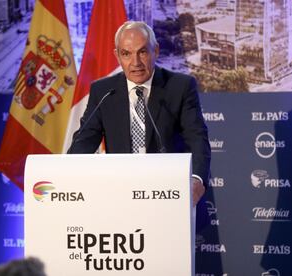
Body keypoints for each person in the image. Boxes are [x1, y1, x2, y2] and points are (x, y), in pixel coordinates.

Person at [68, 21, 210, 209]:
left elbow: (196, 138)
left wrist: (197, 179)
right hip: (117, 195)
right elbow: (84, 142)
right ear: (117, 56)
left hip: (167, 194)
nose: (135, 63)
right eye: (126, 54)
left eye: (142, 52)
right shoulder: (103, 91)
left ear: (156, 51)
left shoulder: (180, 87)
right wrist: (66, 173)